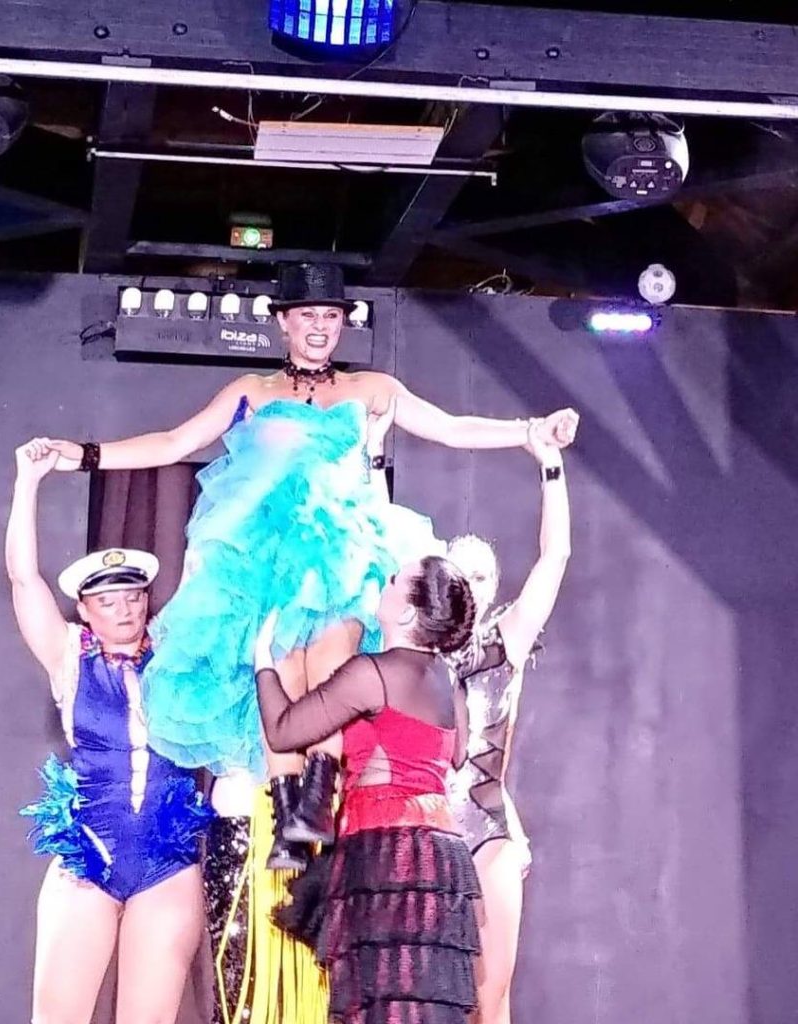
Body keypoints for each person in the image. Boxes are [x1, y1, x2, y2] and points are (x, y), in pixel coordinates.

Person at [30, 262, 578, 870]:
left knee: (330, 674)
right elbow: (173, 443)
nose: (320, 326)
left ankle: (316, 804)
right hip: (264, 562)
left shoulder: (371, 388)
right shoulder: (251, 392)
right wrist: (81, 455)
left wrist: (532, 432)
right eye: (308, 315)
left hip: (340, 554)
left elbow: (450, 428)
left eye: (331, 316)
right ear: (284, 323)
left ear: (343, 324)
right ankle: (292, 822)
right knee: (282, 685)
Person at [5, 437, 211, 1024]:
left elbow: (207, 575)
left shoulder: (174, 651)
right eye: (109, 600)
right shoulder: (69, 656)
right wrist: (28, 482)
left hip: (166, 863)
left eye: (133, 596)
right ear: (86, 610)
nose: (125, 609)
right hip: (89, 857)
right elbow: (24, 579)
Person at [253, 555, 483, 1024]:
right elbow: (458, 754)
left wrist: (262, 663)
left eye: (395, 580)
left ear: (407, 611)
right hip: (441, 861)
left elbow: (282, 730)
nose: (386, 582)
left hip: (385, 853)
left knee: (380, 1004)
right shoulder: (449, 679)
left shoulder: (371, 675)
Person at [445, 421, 572, 1024]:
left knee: (489, 998)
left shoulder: (506, 639)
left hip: (486, 828)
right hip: (422, 832)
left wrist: (550, 465)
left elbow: (556, 556)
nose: (470, 586)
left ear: (494, 586)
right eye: (458, 575)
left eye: (481, 576)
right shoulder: (414, 647)